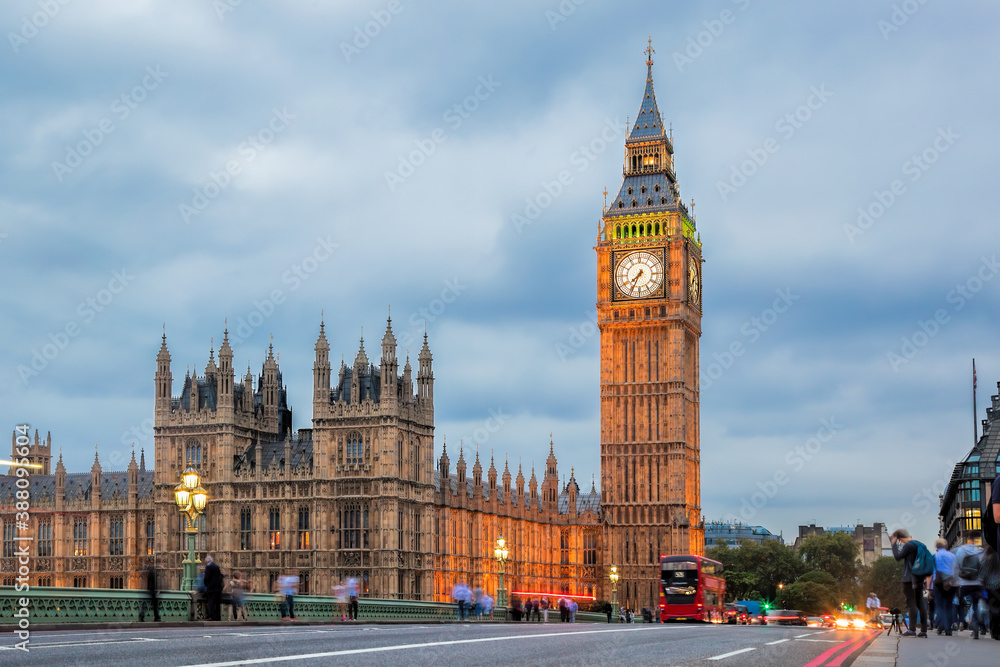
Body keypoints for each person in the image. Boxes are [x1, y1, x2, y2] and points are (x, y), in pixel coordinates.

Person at [890, 528, 930, 637]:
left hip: (909, 578)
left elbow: (898, 557)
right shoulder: (919, 544)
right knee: (920, 603)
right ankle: (923, 630)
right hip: (919, 578)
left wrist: (893, 544)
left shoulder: (908, 545)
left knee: (911, 602)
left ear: (900, 538)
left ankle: (912, 629)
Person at [931, 539, 956, 635]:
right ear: (946, 546)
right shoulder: (953, 556)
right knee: (949, 605)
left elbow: (933, 572)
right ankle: (948, 628)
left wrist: (930, 588)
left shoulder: (935, 556)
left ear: (936, 547)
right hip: (951, 582)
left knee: (940, 605)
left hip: (939, 582)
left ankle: (941, 626)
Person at [203, 555, 224, 622]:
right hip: (218, 588)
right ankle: (218, 617)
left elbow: (207, 578)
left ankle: (211, 616)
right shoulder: (217, 567)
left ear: (207, 561)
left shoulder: (208, 567)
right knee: (217, 603)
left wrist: (206, 585)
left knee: (211, 603)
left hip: (211, 588)